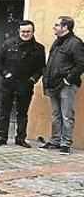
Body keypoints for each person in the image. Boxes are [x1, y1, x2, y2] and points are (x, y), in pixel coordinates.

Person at [0, 21, 45, 147]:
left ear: (33, 32)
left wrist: (33, 79)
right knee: (4, 112)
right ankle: (1, 137)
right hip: (8, 84)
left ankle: (20, 138)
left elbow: (41, 68)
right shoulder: (8, 44)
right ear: (19, 31)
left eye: (28, 31)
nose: (25, 34)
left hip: (25, 85)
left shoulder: (38, 48)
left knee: (22, 113)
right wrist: (6, 74)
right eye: (23, 32)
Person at [41, 16, 84, 154]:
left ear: (65, 27)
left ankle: (65, 144)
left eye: (56, 25)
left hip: (67, 85)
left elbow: (81, 64)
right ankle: (55, 141)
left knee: (67, 115)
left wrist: (68, 79)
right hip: (54, 84)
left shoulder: (76, 43)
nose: (54, 27)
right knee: (56, 115)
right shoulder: (57, 42)